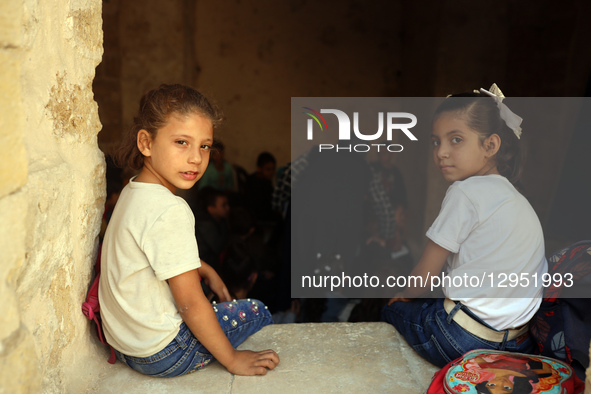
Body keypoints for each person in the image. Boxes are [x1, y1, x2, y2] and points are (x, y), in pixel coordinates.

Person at [98, 84, 279, 377]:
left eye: (204, 145)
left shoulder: (132, 190)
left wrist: (202, 267)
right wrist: (232, 359)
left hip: (126, 345)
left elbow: (152, 252)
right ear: (145, 143)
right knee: (256, 310)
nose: (196, 157)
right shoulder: (170, 209)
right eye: (182, 142)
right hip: (165, 353)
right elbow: (190, 303)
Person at [382, 84, 547, 367]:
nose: (442, 152)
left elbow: (423, 277)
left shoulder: (465, 192)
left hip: (465, 340)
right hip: (520, 341)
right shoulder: (517, 198)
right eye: (436, 142)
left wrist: (401, 297)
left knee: (391, 310)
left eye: (456, 140)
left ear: (490, 146)